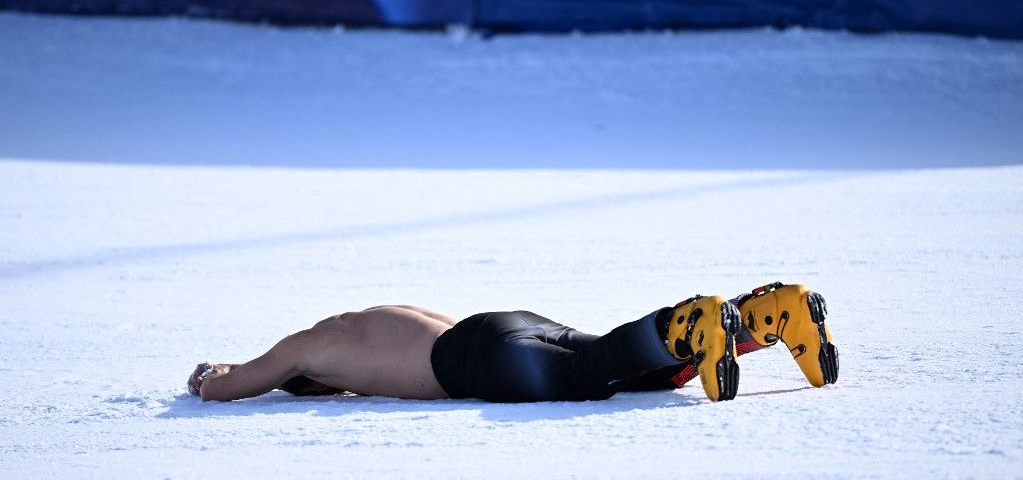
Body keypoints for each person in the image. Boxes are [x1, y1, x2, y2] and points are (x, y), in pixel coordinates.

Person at [187, 282, 838, 404]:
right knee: (613, 368)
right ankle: (766, 316)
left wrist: (214, 377)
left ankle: (687, 321)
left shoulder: (313, 349)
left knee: (590, 373)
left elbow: (246, 378)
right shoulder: (378, 313)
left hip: (473, 361)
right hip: (497, 324)